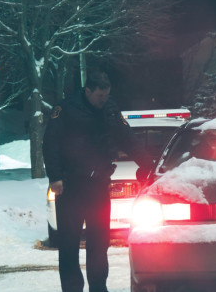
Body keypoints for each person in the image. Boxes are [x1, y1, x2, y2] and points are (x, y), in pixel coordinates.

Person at [43, 69, 152, 292]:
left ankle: (98, 287)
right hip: (70, 187)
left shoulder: (110, 110)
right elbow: (50, 143)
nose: (104, 100)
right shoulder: (65, 110)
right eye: (100, 96)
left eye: (106, 95)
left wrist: (148, 164)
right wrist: (55, 177)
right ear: (88, 90)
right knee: (69, 245)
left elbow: (127, 138)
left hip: (98, 187)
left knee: (99, 244)